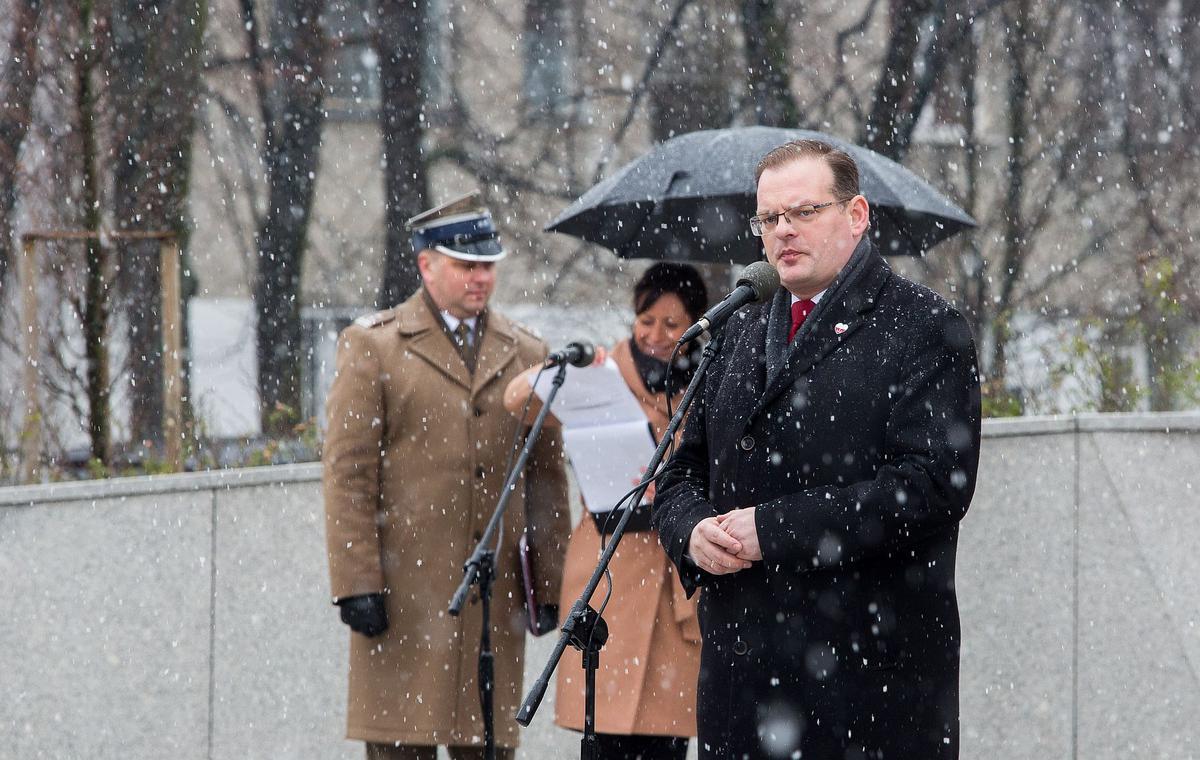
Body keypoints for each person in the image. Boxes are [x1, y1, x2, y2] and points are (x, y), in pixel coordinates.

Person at [651, 139, 982, 759]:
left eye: (803, 212)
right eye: (768, 218)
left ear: (856, 215)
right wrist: (691, 532)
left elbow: (931, 488)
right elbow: (681, 470)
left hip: (865, 689)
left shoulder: (924, 326)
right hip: (743, 686)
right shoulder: (738, 326)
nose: (783, 231)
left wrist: (773, 530)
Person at [322, 191, 571, 760]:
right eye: (466, 266)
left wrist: (552, 579)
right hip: (404, 592)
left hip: (493, 598)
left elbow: (546, 478)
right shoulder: (375, 346)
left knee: (486, 742)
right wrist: (356, 581)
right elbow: (348, 474)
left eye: (488, 266)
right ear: (426, 264)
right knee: (401, 743)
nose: (481, 278)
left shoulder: (526, 350)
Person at [502, 263, 708, 760]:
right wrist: (565, 364)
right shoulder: (603, 373)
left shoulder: (710, 377)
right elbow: (516, 399)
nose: (656, 335)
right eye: (646, 321)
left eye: (672, 324)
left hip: (676, 573)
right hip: (610, 568)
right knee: (606, 727)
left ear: (695, 325)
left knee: (665, 737)